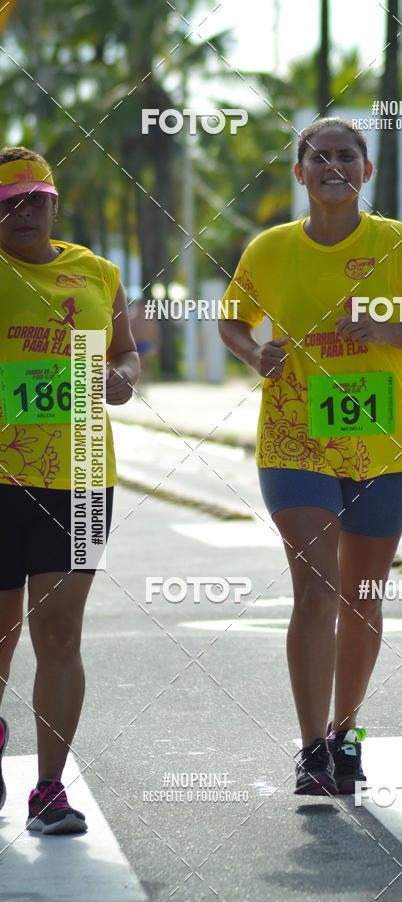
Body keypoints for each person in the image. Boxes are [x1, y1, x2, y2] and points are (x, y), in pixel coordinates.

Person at [218, 117, 402, 795]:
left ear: (366, 170)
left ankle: (345, 732)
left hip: (381, 444)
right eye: (320, 156)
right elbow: (232, 320)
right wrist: (254, 353)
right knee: (316, 590)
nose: (334, 166)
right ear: (300, 172)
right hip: (293, 440)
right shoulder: (269, 249)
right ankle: (310, 750)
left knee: (362, 597)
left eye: (347, 156)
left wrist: (388, 329)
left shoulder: (400, 245)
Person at [0, 147, 139, 832]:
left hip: (82, 474)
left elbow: (125, 350)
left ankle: (49, 789)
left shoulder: (98, 272)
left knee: (58, 633)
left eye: (35, 198)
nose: (22, 211)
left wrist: (122, 377)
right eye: (7, 203)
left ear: (54, 203)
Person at [130, 298, 158, 388]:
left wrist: (154, 345)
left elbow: (154, 332)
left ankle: (144, 384)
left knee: (145, 365)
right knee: (137, 365)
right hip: (136, 345)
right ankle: (138, 384)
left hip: (146, 344)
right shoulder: (132, 319)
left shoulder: (149, 319)